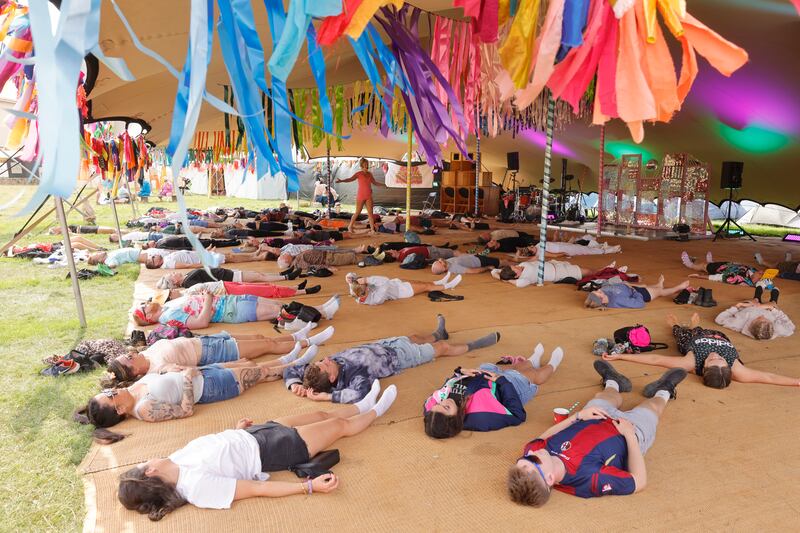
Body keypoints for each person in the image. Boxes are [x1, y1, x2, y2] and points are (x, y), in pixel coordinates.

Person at [117, 383, 398, 519]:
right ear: (150, 472)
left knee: (318, 413)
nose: (148, 459)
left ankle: (362, 404)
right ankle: (377, 410)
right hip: (273, 451)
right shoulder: (196, 487)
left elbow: (217, 447)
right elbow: (254, 489)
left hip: (254, 434)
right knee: (337, 425)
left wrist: (236, 429)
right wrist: (307, 487)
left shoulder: (175, 460)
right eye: (144, 463)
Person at [507, 361, 687, 506]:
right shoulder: (589, 479)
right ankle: (664, 391)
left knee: (606, 397)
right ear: (550, 478)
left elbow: (543, 437)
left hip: (592, 417)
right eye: (531, 460)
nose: (529, 453)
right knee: (651, 408)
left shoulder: (536, 452)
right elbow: (639, 482)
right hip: (629, 433)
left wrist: (578, 416)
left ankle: (613, 382)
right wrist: (630, 435)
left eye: (521, 459)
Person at [75, 346, 319, 436]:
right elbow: (185, 411)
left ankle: (288, 359)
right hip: (211, 387)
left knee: (249, 365)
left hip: (201, 372)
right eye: (109, 396)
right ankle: (296, 365)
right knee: (260, 373)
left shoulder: (132, 389)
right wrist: (188, 379)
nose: (111, 392)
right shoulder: (145, 409)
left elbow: (161, 377)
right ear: (118, 408)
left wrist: (172, 369)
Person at [285, 315, 501, 403]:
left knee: (415, 337)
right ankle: (477, 344)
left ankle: (438, 333)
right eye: (324, 364)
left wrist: (295, 384)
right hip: (400, 357)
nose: (325, 359)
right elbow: (360, 394)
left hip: (382, 345)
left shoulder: (320, 373)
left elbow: (293, 369)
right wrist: (325, 398)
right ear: (332, 378)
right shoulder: (354, 377)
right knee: (441, 349)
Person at [601, 313, 800, 389]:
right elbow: (769, 378)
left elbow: (655, 359)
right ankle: (694, 324)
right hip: (717, 334)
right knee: (701, 328)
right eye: (720, 360)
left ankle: (677, 324)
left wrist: (619, 356)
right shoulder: (737, 370)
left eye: (712, 360)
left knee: (681, 332)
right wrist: (796, 382)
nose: (716, 356)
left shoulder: (690, 363)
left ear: (703, 367)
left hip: (693, 340)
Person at [423, 343, 564, 438]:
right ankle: (553, 364)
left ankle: (533, 360)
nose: (444, 401)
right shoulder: (482, 418)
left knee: (513, 369)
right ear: (456, 418)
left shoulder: (433, 412)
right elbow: (517, 415)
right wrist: (502, 382)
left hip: (485, 376)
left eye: (438, 404)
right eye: (446, 407)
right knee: (533, 375)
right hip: (509, 390)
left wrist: (459, 372)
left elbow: (442, 390)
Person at [106, 327, 335, 385]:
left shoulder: (146, 353)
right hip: (213, 353)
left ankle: (297, 336)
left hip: (206, 340)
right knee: (266, 345)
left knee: (259, 337)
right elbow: (183, 373)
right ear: (134, 371)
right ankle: (307, 342)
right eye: (127, 360)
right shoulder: (157, 368)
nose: (128, 355)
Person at [132, 291, 340, 329]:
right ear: (149, 317)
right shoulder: (168, 316)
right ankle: (321, 311)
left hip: (229, 301)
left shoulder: (167, 306)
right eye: (144, 307)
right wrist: (208, 299)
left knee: (279, 306)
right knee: (280, 310)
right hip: (229, 310)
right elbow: (201, 322)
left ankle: (320, 312)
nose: (146, 303)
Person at [345, 272, 463, 306]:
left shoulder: (355, 290)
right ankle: (448, 286)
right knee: (426, 287)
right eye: (366, 287)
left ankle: (440, 282)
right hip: (401, 291)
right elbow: (384, 280)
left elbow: (350, 275)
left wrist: (350, 277)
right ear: (364, 293)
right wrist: (366, 280)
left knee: (421, 283)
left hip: (395, 284)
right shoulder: (376, 299)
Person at [714, 293, 794, 340]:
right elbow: (791, 327)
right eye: (766, 319)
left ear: (751, 323)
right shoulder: (778, 329)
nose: (762, 316)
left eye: (759, 318)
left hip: (749, 308)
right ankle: (774, 294)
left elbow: (719, 319)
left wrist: (738, 306)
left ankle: (757, 296)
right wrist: (773, 309)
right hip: (767, 309)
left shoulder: (738, 324)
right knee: (773, 303)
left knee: (753, 300)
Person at [584, 276, 690, 309]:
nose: (599, 290)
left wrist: (624, 283)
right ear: (601, 299)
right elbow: (639, 304)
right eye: (599, 293)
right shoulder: (617, 300)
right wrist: (635, 292)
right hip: (638, 294)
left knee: (645, 286)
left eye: (597, 290)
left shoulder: (603, 291)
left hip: (627, 288)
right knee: (660, 292)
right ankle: (678, 287)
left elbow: (607, 286)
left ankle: (658, 285)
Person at [336, 158, 381, 233]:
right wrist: (341, 180)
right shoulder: (358, 174)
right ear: (361, 165)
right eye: (365, 164)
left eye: (367, 164)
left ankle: (372, 230)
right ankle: (350, 226)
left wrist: (384, 184)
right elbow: (350, 179)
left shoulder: (370, 174)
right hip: (361, 196)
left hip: (368, 196)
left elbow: (375, 183)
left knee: (370, 214)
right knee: (357, 212)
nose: (366, 166)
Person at [157, 267, 297, 290]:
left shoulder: (186, 277)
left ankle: (283, 274)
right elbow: (207, 286)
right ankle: (286, 277)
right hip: (227, 277)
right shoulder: (188, 283)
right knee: (258, 277)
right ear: (174, 281)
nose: (174, 273)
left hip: (226, 273)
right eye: (172, 275)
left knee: (257, 274)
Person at [680, 251, 762, 286]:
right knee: (712, 264)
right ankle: (711, 262)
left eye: (759, 276)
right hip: (728, 265)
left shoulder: (740, 279)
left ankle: (690, 264)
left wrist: (698, 276)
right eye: (761, 273)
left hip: (719, 270)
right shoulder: (754, 272)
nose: (760, 273)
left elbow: (718, 278)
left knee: (703, 266)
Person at [146, 248, 268, 270]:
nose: (154, 256)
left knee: (229, 256)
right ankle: (255, 257)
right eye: (152, 258)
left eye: (152, 256)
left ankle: (253, 255)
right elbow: (187, 266)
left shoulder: (166, 258)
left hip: (203, 255)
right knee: (231, 258)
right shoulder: (169, 263)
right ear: (155, 264)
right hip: (204, 260)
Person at [494, 261, 591, 286]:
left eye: (514, 266)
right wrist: (508, 280)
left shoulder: (520, 269)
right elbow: (520, 284)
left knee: (585, 269)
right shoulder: (525, 277)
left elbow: (493, 271)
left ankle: (604, 271)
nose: (517, 266)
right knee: (587, 272)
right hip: (559, 273)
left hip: (556, 265)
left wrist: (502, 277)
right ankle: (604, 272)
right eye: (515, 268)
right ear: (516, 276)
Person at [278, 248, 359, 272]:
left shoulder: (295, 258)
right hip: (328, 259)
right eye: (284, 256)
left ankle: (356, 251)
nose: (285, 254)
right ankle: (369, 259)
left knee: (350, 254)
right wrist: (327, 267)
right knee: (352, 258)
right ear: (287, 261)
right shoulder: (298, 263)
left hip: (326, 254)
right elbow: (312, 266)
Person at [431, 254, 508, 275]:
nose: (440, 260)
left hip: (475, 257)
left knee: (500, 259)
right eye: (440, 262)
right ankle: (517, 263)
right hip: (480, 262)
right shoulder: (454, 268)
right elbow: (473, 271)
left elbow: (440, 258)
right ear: (444, 269)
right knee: (502, 262)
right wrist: (487, 267)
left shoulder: (446, 263)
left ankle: (514, 260)